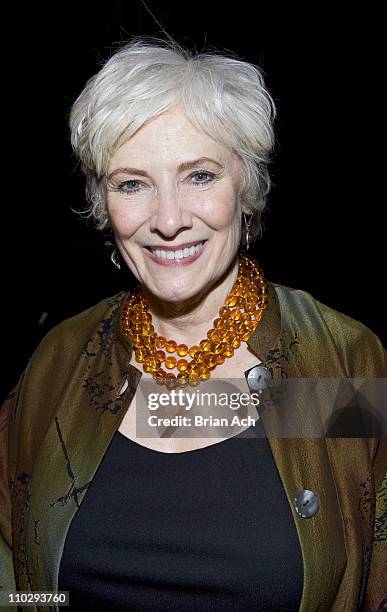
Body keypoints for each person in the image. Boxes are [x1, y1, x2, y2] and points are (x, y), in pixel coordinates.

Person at [0, 36, 386, 612]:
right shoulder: (62, 359)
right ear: (105, 206)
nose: (169, 219)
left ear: (246, 191)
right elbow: (19, 570)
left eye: (199, 176)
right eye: (133, 184)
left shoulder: (338, 361)